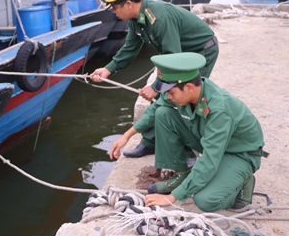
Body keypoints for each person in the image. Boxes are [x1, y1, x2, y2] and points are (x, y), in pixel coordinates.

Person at [109, 52, 267, 212]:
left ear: (189, 87)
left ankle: (244, 182)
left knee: (206, 201)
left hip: (240, 153)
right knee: (163, 113)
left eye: (171, 93)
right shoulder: (185, 91)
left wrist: (172, 197)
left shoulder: (219, 109)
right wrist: (126, 136)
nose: (168, 97)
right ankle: (181, 173)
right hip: (211, 141)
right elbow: (154, 109)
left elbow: (209, 159)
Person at [90, 0, 219, 159]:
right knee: (163, 94)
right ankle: (150, 143)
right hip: (179, 54)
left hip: (200, 51)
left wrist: (157, 87)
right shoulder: (136, 19)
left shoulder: (159, 17)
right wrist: (108, 69)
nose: (113, 12)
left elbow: (173, 59)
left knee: (182, 96)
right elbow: (130, 48)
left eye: (114, 7)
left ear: (128, 4)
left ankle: (186, 151)